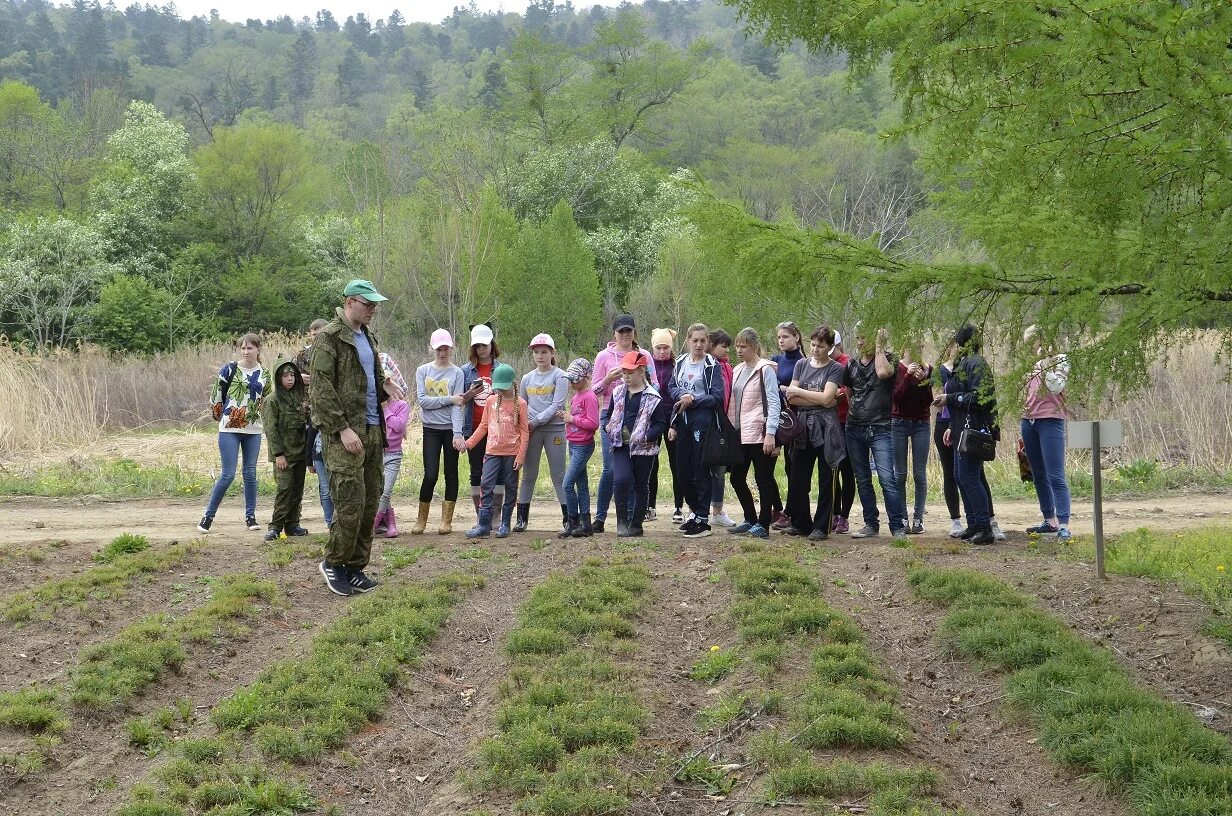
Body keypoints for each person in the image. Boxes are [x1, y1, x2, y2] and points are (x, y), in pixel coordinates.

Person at [309, 279, 389, 597]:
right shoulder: (329, 338)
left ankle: (355, 567)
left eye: (374, 305)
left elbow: (373, 377)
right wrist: (342, 429)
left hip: (371, 430)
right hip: (344, 434)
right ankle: (334, 562)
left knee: (371, 500)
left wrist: (388, 387)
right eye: (367, 304)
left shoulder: (367, 336)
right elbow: (320, 390)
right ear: (349, 302)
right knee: (350, 501)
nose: (373, 309)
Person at [197, 333, 271, 534]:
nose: (246, 352)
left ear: (258, 350)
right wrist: (220, 417)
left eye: (250, 348)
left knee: (250, 474)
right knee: (228, 474)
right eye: (243, 348)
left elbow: (267, 399)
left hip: (253, 429)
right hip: (229, 428)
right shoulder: (230, 369)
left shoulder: (264, 373)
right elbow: (216, 396)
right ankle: (208, 516)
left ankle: (250, 517)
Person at [934, 324, 998, 545]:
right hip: (960, 427)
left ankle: (984, 527)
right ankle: (973, 525)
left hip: (974, 430)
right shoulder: (963, 364)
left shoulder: (976, 363)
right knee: (961, 477)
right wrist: (952, 424)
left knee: (970, 478)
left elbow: (980, 398)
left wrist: (949, 399)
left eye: (956, 341)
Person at [843, 325, 909, 538]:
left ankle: (897, 526)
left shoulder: (890, 359)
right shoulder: (851, 364)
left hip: (881, 428)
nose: (860, 342)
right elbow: (849, 392)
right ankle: (871, 524)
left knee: (887, 478)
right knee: (862, 478)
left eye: (865, 338)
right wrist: (857, 411)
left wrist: (880, 345)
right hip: (854, 428)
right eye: (859, 337)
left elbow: (882, 373)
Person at [783, 326, 847, 540]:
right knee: (798, 476)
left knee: (827, 478)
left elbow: (827, 399)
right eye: (813, 345)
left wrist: (800, 392)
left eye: (821, 346)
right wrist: (815, 396)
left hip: (827, 428)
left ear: (830, 347)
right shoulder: (801, 364)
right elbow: (790, 399)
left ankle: (822, 526)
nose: (816, 349)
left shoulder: (835, 368)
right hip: (802, 426)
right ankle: (801, 523)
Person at [669, 323, 725, 538]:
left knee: (700, 469)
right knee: (682, 469)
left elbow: (717, 397)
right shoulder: (681, 362)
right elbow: (671, 387)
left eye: (703, 341)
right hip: (682, 417)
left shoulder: (712, 365)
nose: (699, 344)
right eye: (695, 340)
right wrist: (682, 395)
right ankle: (693, 512)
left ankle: (703, 518)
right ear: (688, 341)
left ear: (708, 342)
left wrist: (694, 400)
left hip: (702, 418)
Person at [606, 350, 670, 537]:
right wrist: (607, 426)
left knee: (641, 485)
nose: (626, 376)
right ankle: (621, 522)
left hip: (644, 449)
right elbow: (609, 415)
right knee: (621, 480)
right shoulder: (618, 392)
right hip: (620, 445)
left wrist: (647, 436)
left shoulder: (653, 397)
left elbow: (660, 424)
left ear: (642, 372)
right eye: (624, 372)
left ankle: (636, 524)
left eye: (630, 372)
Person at [726, 328, 781, 539]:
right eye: (737, 346)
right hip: (740, 434)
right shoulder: (738, 369)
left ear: (755, 346)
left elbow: (773, 401)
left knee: (763, 479)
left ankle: (763, 524)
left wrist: (771, 433)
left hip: (760, 432)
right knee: (737, 478)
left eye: (744, 346)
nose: (739, 350)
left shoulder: (765, 369)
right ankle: (749, 518)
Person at [411, 329, 467, 535]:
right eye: (438, 349)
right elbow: (422, 401)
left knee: (451, 474)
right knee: (430, 474)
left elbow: (458, 405)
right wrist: (449, 399)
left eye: (445, 348)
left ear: (451, 348)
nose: (442, 352)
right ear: (432, 349)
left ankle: (446, 521)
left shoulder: (457, 373)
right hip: (430, 429)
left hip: (450, 429)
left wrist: (458, 433)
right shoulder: (423, 371)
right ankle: (421, 519)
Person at [463, 363, 529, 539]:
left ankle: (505, 523)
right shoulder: (491, 401)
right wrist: (468, 443)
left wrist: (520, 456)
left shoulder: (521, 404)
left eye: (504, 388)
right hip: (492, 451)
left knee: (511, 486)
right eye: (498, 388)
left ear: (513, 384)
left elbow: (524, 431)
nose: (500, 391)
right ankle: (483, 524)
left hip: (512, 453)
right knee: (486, 484)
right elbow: (483, 426)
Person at [1021, 324, 1073, 541]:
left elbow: (1056, 387)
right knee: (1038, 473)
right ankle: (1049, 519)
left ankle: (1063, 524)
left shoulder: (1061, 359)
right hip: (1029, 420)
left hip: (1051, 420)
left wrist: (1045, 365)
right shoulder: (1029, 364)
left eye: (1031, 342)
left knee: (1055, 474)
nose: (1028, 348)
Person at [591, 314, 641, 533]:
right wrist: (608, 379)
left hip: (637, 417)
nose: (625, 334)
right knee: (610, 469)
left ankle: (629, 518)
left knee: (629, 469)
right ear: (614, 334)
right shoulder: (603, 357)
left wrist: (641, 381)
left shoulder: (642, 355)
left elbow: (655, 386)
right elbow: (593, 391)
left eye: (628, 330)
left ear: (634, 333)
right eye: (621, 331)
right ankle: (600, 518)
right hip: (609, 417)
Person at [515, 333, 569, 533]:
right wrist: (523, 425)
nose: (540, 356)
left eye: (544, 352)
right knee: (529, 474)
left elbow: (557, 405)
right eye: (536, 352)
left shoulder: (560, 376)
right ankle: (522, 518)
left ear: (552, 353)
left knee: (558, 474)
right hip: (532, 431)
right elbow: (521, 404)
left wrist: (534, 421)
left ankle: (568, 517)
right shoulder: (528, 378)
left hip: (553, 429)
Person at [261, 359, 309, 541]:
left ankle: (292, 524)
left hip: (300, 453)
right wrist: (279, 454)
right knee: (284, 490)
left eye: (292, 375)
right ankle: (275, 527)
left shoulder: (299, 397)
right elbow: (271, 430)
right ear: (278, 378)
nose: (289, 379)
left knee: (297, 490)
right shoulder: (272, 400)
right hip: (284, 456)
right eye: (285, 376)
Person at [891, 342, 933, 534]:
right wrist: (908, 377)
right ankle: (902, 517)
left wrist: (924, 381)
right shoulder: (896, 368)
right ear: (905, 347)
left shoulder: (928, 369)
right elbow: (897, 398)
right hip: (899, 423)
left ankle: (918, 518)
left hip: (921, 424)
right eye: (912, 346)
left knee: (919, 473)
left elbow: (928, 401)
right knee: (900, 474)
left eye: (920, 347)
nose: (916, 350)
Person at [460, 324, 501, 520]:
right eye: (477, 345)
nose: (481, 349)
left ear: (492, 345)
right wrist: (469, 394)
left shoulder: (501, 370)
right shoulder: (465, 371)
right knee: (476, 471)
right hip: (473, 427)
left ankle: (495, 515)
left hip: (497, 429)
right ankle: (481, 515)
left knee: (497, 471)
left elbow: (511, 400)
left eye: (484, 345)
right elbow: (458, 401)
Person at [769, 321, 805, 529]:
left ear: (796, 338)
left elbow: (795, 390)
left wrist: (782, 388)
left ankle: (791, 511)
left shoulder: (802, 362)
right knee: (767, 466)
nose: (781, 340)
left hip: (795, 420)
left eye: (785, 337)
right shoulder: (775, 361)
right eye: (779, 337)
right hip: (776, 418)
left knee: (793, 468)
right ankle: (776, 507)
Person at [297, 319, 332, 528]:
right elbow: (288, 378)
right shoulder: (302, 355)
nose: (316, 334)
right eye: (313, 332)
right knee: (314, 464)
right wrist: (302, 379)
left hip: (328, 411)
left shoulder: (332, 350)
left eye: (320, 331)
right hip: (307, 412)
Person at [561, 358, 599, 538]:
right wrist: (567, 417)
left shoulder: (589, 397)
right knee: (581, 484)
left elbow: (593, 423)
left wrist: (571, 419)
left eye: (576, 379)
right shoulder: (576, 396)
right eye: (571, 379)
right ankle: (586, 525)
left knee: (567, 484)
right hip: (573, 443)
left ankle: (573, 521)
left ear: (586, 377)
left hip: (583, 445)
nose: (572, 383)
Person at [648, 328, 681, 522]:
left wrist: (675, 422)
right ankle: (650, 506)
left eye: (666, 347)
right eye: (659, 347)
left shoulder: (677, 366)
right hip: (653, 419)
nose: (662, 351)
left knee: (677, 464)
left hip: (673, 419)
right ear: (653, 348)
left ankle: (678, 507)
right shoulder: (646, 365)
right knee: (652, 463)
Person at [707, 328, 736, 528]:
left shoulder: (727, 367)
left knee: (720, 467)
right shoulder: (706, 365)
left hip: (722, 423)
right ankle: (696, 510)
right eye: (723, 346)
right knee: (701, 468)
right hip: (705, 421)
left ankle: (717, 510)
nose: (726, 351)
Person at [829, 332, 856, 533]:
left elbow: (849, 394)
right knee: (832, 471)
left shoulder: (847, 364)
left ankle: (844, 516)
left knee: (846, 471)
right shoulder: (823, 364)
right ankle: (834, 513)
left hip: (846, 422)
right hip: (830, 423)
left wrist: (837, 394)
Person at [374, 386, 409, 538]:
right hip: (376, 453)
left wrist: (386, 409)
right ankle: (391, 524)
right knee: (380, 490)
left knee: (385, 491)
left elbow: (399, 426)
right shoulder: (372, 405)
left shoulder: (402, 405)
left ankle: (372, 526)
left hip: (393, 455)